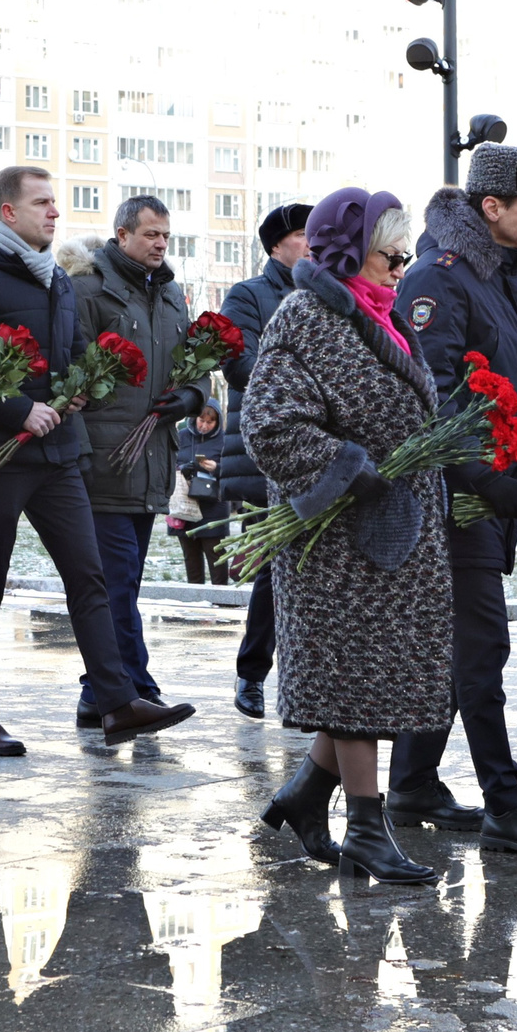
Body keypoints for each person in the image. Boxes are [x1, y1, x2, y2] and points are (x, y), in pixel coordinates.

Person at [0, 165, 194, 758]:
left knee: (89, 577)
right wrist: (18, 410)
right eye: (42, 203)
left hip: (59, 453)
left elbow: (73, 353)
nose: (55, 212)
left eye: (54, 202)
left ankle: (116, 703)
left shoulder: (56, 277)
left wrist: (82, 388)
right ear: (8, 212)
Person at [241, 186, 449, 883]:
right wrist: (350, 469)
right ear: (351, 252)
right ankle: (365, 830)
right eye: (392, 254)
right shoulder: (304, 317)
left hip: (387, 535)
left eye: (406, 253)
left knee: (366, 681)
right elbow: (269, 424)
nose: (403, 266)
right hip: (334, 542)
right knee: (355, 690)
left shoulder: (381, 316)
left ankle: (306, 795)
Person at [383, 145, 517, 855]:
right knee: (481, 647)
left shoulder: (502, 277)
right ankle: (506, 803)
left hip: (489, 497)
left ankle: (412, 784)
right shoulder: (441, 279)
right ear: (492, 207)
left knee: (453, 650)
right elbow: (427, 395)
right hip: (451, 500)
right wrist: (478, 475)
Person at [68, 194, 215, 713]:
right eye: (151, 234)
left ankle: (97, 694)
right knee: (115, 580)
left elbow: (196, 366)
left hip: (152, 456)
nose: (160, 244)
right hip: (104, 462)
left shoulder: (172, 294)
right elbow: (71, 373)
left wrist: (191, 396)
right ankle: (136, 689)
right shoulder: (88, 289)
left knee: (123, 583)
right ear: (122, 235)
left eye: (166, 236)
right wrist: (82, 452)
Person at [218, 200, 310, 719]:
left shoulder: (327, 293)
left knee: (312, 568)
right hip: (265, 451)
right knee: (275, 568)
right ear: (276, 245)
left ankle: (309, 683)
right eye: (302, 235)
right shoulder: (249, 294)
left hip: (316, 449)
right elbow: (239, 363)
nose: (314, 244)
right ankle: (252, 673)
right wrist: (307, 390)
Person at [170, 404, 229, 584]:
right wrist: (182, 468)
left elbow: (234, 470)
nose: (204, 426)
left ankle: (221, 594)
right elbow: (169, 462)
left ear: (217, 422)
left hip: (213, 505)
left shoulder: (224, 440)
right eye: (201, 420)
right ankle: (195, 593)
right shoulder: (182, 436)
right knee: (190, 554)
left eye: (210, 422)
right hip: (184, 503)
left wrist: (216, 468)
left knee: (215, 552)